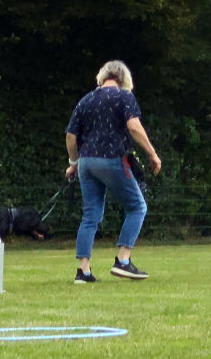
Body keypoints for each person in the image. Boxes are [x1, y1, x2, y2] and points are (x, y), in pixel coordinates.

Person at [65, 60, 162, 283]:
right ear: (124, 79)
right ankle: (123, 261)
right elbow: (134, 127)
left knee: (90, 215)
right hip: (112, 159)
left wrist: (74, 162)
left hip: (87, 162)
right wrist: (152, 154)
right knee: (138, 206)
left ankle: (83, 271)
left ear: (102, 76)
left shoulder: (85, 100)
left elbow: (71, 136)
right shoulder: (124, 97)